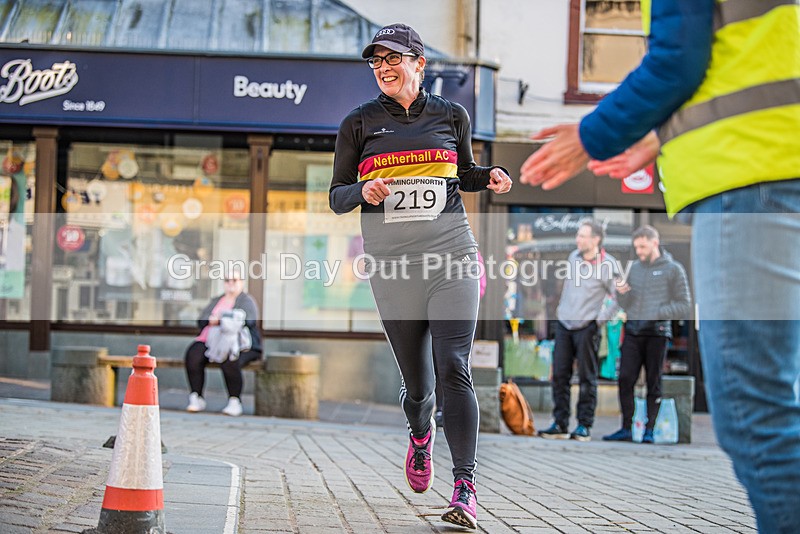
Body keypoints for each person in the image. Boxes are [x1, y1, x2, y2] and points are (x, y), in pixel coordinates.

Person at [519, 1, 799, 531]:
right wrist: (658, 136)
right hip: (774, 168)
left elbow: (678, 60)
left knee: (752, 413)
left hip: (754, 175)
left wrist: (589, 136)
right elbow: (734, 56)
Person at [329, 23, 512, 530]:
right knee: (418, 386)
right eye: (376, 61)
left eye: (394, 59)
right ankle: (419, 432)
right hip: (394, 268)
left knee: (454, 365)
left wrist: (489, 176)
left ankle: (465, 487)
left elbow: (462, 173)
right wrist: (363, 193)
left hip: (452, 255)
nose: (384, 68)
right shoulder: (359, 123)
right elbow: (337, 194)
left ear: (418, 63)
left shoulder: (451, 115)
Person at [603, 225, 691, 444]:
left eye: (643, 247)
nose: (639, 251)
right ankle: (626, 428)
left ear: (655, 242)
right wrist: (622, 294)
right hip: (633, 331)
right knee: (625, 378)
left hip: (657, 333)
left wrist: (658, 313)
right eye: (637, 247)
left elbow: (684, 305)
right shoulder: (634, 269)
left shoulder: (673, 269)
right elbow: (626, 303)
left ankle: (649, 430)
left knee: (653, 382)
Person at [538, 219, 619, 442]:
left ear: (596, 239)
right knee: (560, 376)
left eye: (583, 236)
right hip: (565, 324)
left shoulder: (608, 265)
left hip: (587, 327)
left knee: (586, 378)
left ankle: (584, 425)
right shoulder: (573, 257)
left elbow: (619, 297)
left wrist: (600, 320)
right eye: (578, 235)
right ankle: (560, 423)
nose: (578, 239)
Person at [184, 270, 262, 417]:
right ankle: (196, 397)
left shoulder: (246, 300)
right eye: (227, 280)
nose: (231, 283)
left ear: (242, 282)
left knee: (230, 357)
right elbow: (202, 320)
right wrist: (212, 320)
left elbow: (249, 321)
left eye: (234, 280)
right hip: (211, 341)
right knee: (193, 354)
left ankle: (234, 401)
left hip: (242, 344)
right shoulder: (217, 300)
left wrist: (221, 320)